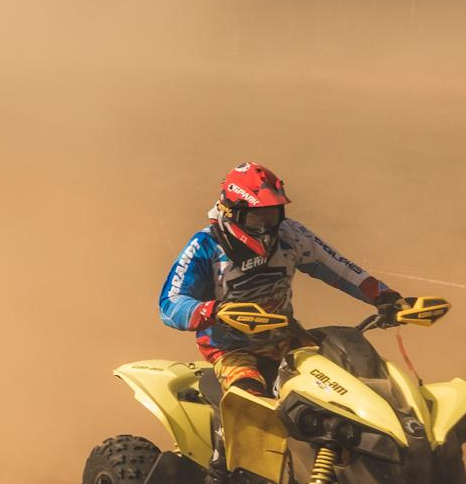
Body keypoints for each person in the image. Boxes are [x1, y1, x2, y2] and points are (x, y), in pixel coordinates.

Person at [158, 163, 402, 398]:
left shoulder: (291, 235)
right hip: (230, 348)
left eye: (271, 216)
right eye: (255, 219)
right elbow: (170, 304)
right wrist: (215, 310)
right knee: (248, 400)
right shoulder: (205, 245)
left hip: (286, 338)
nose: (265, 227)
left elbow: (340, 268)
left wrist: (385, 296)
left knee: (349, 378)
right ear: (231, 213)